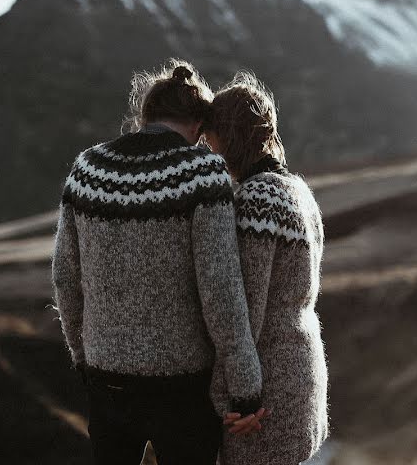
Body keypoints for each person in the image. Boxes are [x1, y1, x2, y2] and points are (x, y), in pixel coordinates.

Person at [50, 60, 267, 465]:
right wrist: (245, 387)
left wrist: (83, 355)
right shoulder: (202, 174)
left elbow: (65, 276)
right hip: (183, 390)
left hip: (106, 381)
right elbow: (220, 289)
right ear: (199, 127)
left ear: (144, 115)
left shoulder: (87, 171)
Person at [203, 71, 329, 465]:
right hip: (302, 374)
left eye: (211, 137)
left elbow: (245, 308)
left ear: (230, 135)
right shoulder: (299, 191)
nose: (208, 148)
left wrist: (234, 399)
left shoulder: (257, 200)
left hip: (265, 396)